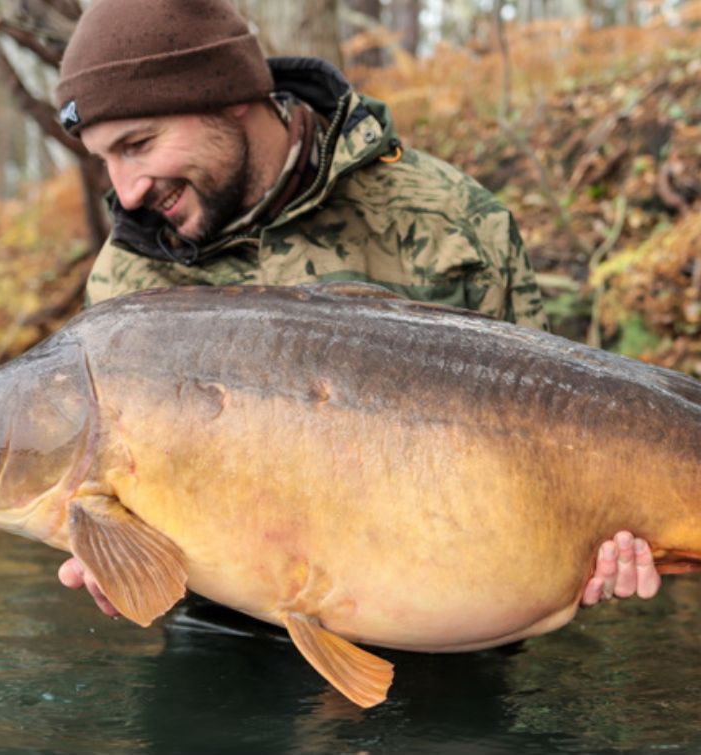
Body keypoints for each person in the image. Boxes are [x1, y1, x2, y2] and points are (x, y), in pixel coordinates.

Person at [51, 0, 660, 622]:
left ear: (229, 94)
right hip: (227, 637)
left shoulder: (448, 220)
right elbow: (123, 518)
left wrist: (593, 538)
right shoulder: (130, 282)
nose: (125, 191)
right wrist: (123, 569)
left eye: (139, 145)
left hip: (454, 623)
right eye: (106, 160)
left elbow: (556, 431)